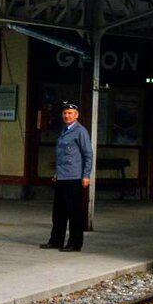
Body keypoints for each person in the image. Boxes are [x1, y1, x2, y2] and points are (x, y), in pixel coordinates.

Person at [41, 101, 93, 252]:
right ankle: (56, 240)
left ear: (76, 115)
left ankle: (74, 243)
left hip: (74, 176)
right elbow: (62, 155)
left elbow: (88, 154)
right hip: (63, 176)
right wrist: (57, 173)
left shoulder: (80, 131)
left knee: (74, 211)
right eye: (65, 113)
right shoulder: (64, 131)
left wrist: (86, 175)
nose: (67, 115)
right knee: (59, 211)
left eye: (70, 113)